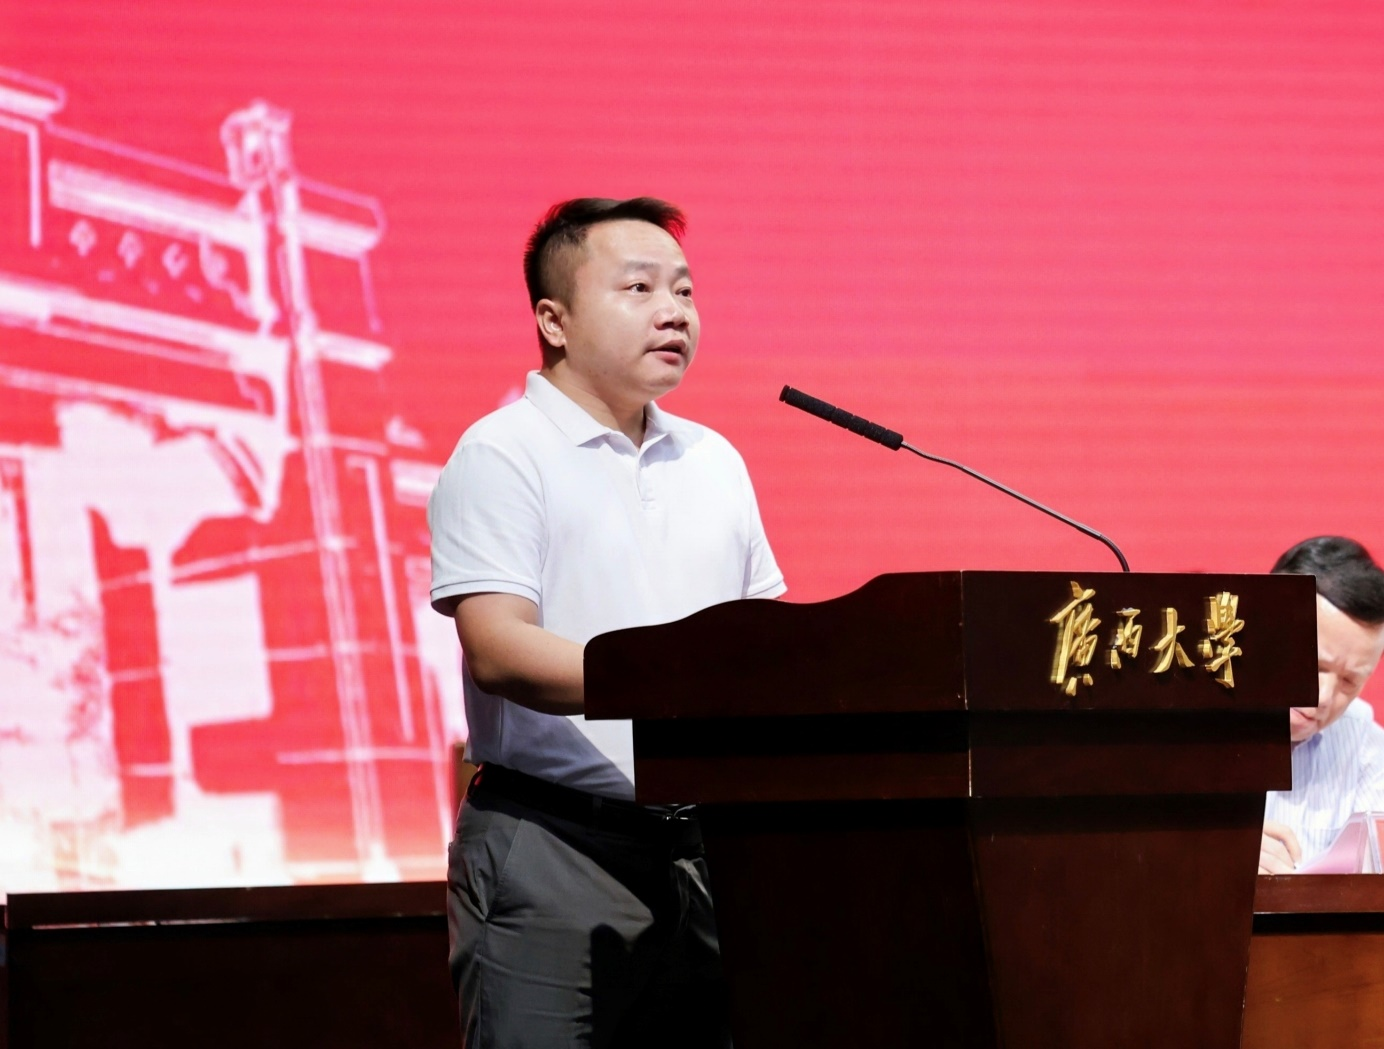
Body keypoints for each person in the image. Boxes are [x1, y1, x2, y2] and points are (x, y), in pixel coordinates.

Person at [428, 197, 786, 1047]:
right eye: (639, 288)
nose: (674, 312)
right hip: (554, 841)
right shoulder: (503, 451)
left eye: (685, 291)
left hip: (704, 851)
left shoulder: (714, 459)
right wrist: (671, 684)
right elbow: (498, 647)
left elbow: (762, 642)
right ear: (553, 320)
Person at [1260, 536, 1384, 873]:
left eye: (1349, 682)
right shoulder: (1187, 725)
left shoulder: (1367, 751)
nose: (1324, 697)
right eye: (1314, 666)